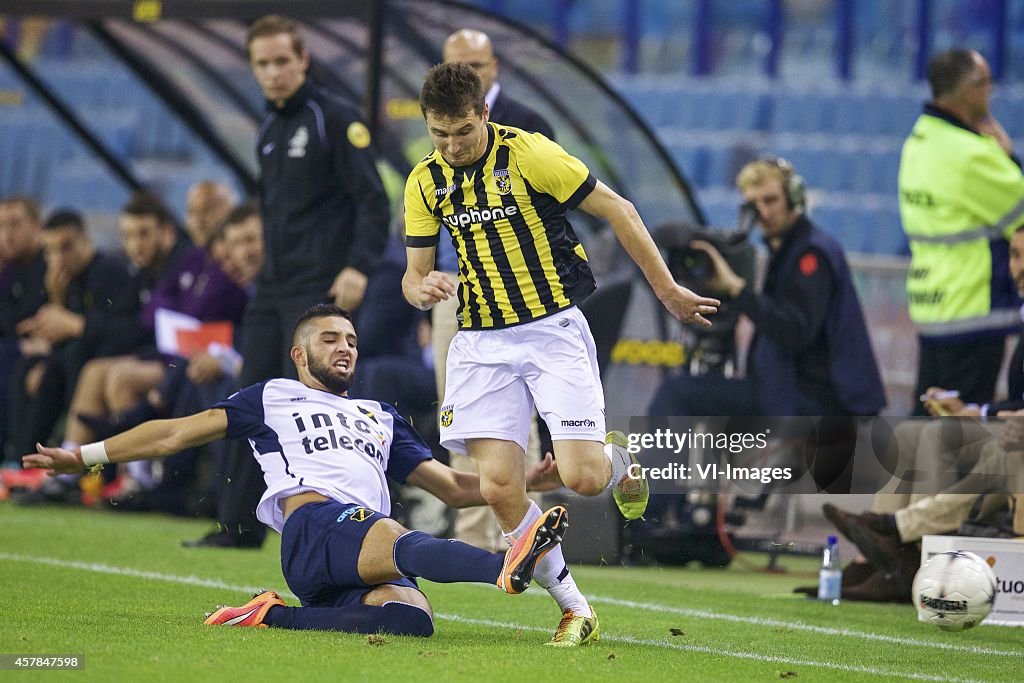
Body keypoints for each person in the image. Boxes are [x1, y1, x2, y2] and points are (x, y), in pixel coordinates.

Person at [402, 62, 719, 645]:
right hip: (479, 342)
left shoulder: (531, 155)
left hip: (551, 331)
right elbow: (413, 275)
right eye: (438, 134)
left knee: (583, 477)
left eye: (462, 132)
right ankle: (576, 608)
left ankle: (618, 462)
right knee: (498, 487)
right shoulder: (424, 181)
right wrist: (420, 289)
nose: (450, 146)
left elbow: (619, 210)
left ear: (485, 115)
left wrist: (668, 290)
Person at [24, 304, 568, 637]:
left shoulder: (378, 415)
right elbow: (173, 432)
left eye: (352, 341)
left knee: (411, 620)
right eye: (330, 339)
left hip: (357, 551)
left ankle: (269, 616)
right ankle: (505, 564)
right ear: (299, 354)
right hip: (314, 529)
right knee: (398, 537)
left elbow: (450, 488)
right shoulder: (272, 397)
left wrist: (525, 482)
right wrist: (82, 454)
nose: (345, 348)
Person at [187, 14, 391, 548]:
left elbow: (373, 200)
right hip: (273, 288)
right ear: (253, 68)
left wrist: (359, 267)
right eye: (263, 63)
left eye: (283, 61)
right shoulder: (269, 130)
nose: (274, 72)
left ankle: (342, 523)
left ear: (303, 61)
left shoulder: (335, 119)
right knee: (245, 401)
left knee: (316, 409)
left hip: (319, 289)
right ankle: (236, 525)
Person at [439, 27, 558, 552]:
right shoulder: (437, 128)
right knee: (461, 410)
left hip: (521, 292)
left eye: (478, 66)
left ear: (496, 68)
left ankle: (519, 531)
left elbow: (555, 210)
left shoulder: (529, 125)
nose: (470, 75)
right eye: (457, 65)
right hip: (456, 289)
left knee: (516, 413)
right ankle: (472, 536)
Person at [649, 158, 886, 418]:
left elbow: (793, 331)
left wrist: (737, 289)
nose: (763, 212)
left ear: (794, 198)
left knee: (676, 393)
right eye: (754, 205)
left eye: (770, 200)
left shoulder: (811, 254)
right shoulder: (787, 249)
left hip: (816, 400)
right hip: (788, 392)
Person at [899, 48, 1024, 415]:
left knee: (928, 425)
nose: (990, 91)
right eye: (986, 82)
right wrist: (1009, 157)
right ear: (968, 88)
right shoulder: (972, 155)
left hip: (931, 304)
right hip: (972, 311)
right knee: (962, 441)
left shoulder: (919, 140)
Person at [0, 197, 45, 464]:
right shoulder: (9, 272)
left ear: (37, 227)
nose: (7, 233)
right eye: (2, 225)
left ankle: (17, 458)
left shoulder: (50, 265)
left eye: (15, 224)